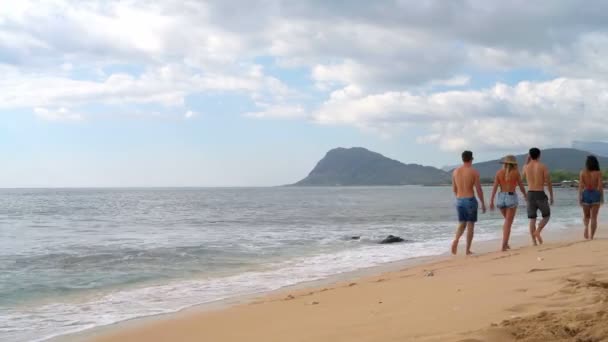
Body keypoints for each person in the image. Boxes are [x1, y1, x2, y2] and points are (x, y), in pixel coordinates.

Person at [451, 150, 486, 255]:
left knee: (462, 223)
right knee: (470, 225)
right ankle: (467, 250)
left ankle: (456, 239)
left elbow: (454, 189)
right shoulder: (473, 172)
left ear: (462, 159)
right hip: (470, 200)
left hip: (459, 200)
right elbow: (479, 189)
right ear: (472, 159)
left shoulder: (455, 171)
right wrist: (483, 203)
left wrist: (459, 198)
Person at [490, 155, 527, 251]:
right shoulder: (516, 173)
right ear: (514, 164)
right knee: (508, 223)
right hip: (511, 197)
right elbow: (521, 186)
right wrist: (525, 196)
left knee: (507, 222)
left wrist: (491, 200)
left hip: (501, 197)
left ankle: (505, 243)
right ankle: (504, 244)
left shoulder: (499, 173)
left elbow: (494, 187)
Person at [522, 147, 554, 245]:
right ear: (539, 155)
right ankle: (538, 231)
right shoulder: (542, 166)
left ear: (530, 155)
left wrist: (526, 162)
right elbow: (548, 182)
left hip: (530, 194)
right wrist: (551, 196)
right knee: (546, 216)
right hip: (540, 193)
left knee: (532, 219)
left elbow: (521, 178)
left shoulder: (525, 167)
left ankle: (534, 242)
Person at [579, 155, 604, 240]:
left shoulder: (582, 172)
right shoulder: (598, 173)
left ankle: (586, 227)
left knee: (586, 216)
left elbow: (580, 186)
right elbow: (600, 186)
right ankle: (592, 236)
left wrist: (580, 197)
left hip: (585, 193)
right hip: (595, 194)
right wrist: (602, 198)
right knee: (594, 217)